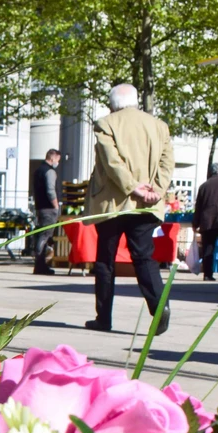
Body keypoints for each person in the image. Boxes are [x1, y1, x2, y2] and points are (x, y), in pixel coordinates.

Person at [81, 83, 174, 333]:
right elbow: (167, 163)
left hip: (113, 204)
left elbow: (112, 162)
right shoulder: (159, 126)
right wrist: (157, 190)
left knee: (106, 262)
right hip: (147, 205)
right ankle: (159, 305)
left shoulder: (106, 124)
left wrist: (133, 187)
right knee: (144, 258)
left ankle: (104, 318)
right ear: (135, 101)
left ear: (112, 103)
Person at [31, 148, 63, 275]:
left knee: (41, 234)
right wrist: (56, 205)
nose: (57, 163)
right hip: (49, 208)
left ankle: (39, 263)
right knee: (45, 235)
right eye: (58, 160)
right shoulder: (49, 171)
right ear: (53, 157)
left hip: (40, 207)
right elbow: (50, 190)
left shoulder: (38, 171)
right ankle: (40, 264)